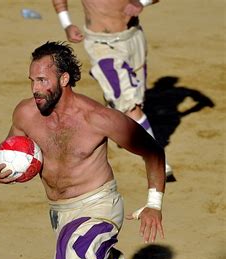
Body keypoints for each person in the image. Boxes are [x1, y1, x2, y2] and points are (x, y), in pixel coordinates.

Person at [0, 42, 196, 259]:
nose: (35, 88)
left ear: (64, 79)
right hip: (61, 214)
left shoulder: (98, 118)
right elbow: (2, 154)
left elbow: (152, 151)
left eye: (42, 80)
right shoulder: (25, 114)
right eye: (32, 80)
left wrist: (154, 202)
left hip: (99, 207)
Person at [51, 0, 174, 179]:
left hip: (134, 39)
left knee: (134, 98)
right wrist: (67, 23)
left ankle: (115, 111)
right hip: (102, 46)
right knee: (131, 106)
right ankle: (155, 156)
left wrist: (142, 2)